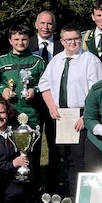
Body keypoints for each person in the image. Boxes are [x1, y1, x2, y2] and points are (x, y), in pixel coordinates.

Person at [38, 24, 102, 200]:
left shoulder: (91, 61)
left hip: (81, 114)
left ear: (81, 39)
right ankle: (71, 194)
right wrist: (51, 106)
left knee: (79, 159)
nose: (73, 42)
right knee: (65, 156)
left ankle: (81, 198)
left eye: (76, 38)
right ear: (62, 41)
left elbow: (98, 92)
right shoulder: (56, 60)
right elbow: (44, 85)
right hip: (60, 115)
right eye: (68, 39)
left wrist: (86, 116)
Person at [0, 25, 47, 179]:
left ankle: (33, 189)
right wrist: (3, 90)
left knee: (32, 153)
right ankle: (11, 189)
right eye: (16, 39)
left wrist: (34, 90)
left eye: (24, 39)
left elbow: (47, 84)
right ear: (10, 41)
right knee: (10, 152)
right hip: (9, 114)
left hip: (32, 114)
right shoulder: (1, 62)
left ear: (29, 39)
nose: (20, 42)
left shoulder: (38, 61)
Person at [29, 10, 63, 192]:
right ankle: (32, 184)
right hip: (32, 104)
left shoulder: (61, 46)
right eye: (42, 23)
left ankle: (53, 184)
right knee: (32, 144)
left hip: (54, 102)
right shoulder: (27, 44)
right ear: (36, 25)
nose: (45, 27)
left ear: (55, 27)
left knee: (54, 145)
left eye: (49, 24)